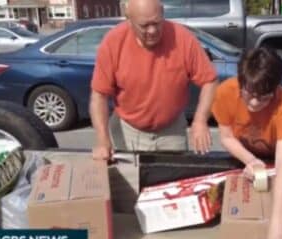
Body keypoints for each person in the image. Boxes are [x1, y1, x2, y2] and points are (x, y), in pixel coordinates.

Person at [90, 0, 218, 160]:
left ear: (163, 13)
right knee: (128, 183)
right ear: (129, 19)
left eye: (157, 23)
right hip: (128, 130)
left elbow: (210, 81)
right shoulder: (113, 42)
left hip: (172, 131)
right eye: (144, 25)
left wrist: (200, 120)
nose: (152, 30)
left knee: (172, 182)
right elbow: (98, 95)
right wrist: (103, 141)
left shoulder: (183, 38)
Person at [211, 47, 282, 239]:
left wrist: (277, 231)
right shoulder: (225, 92)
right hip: (249, 154)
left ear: (276, 89)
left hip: (279, 154)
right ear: (241, 83)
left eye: (263, 98)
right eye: (249, 94)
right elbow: (226, 137)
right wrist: (250, 160)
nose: (254, 104)